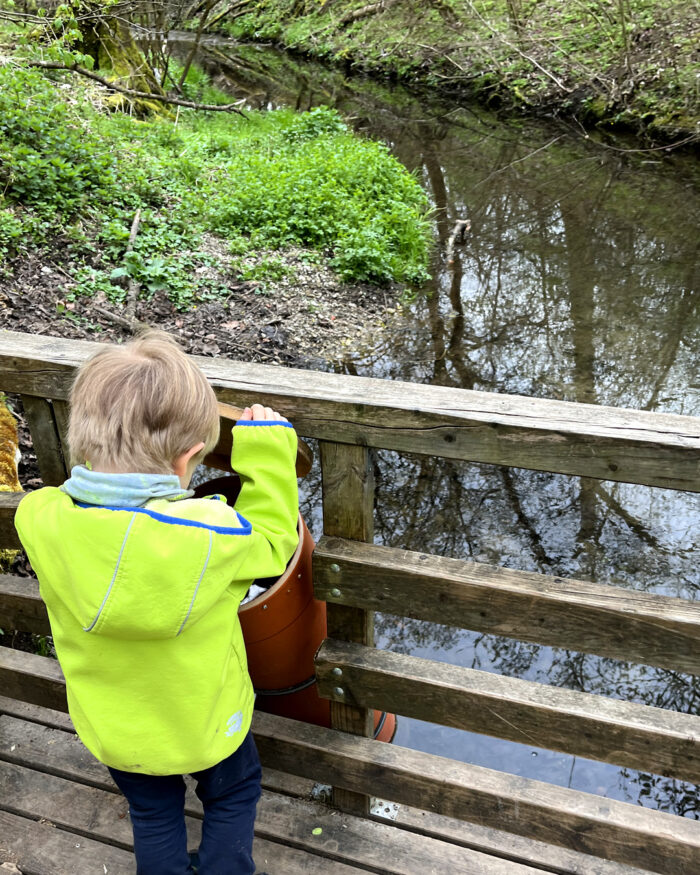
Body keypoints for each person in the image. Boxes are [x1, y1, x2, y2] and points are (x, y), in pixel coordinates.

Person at [15, 330, 299, 875]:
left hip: (117, 729)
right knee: (234, 793)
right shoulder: (212, 533)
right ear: (189, 457)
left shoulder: (42, 517)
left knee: (152, 811)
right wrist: (267, 454)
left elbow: (76, 511)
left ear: (82, 440)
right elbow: (272, 541)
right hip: (207, 721)